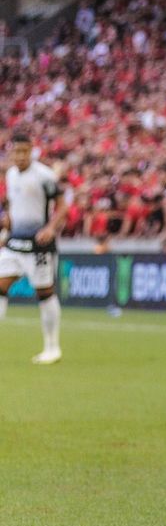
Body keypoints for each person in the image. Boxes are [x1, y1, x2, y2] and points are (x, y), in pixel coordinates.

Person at [0, 134, 66, 364]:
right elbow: (12, 206)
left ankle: (52, 347)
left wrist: (50, 228)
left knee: (44, 292)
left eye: (24, 152)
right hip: (15, 243)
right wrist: (6, 231)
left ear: (31, 151)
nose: (19, 156)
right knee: (0, 285)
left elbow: (62, 206)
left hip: (39, 245)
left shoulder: (44, 176)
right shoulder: (10, 175)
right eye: (16, 152)